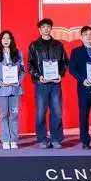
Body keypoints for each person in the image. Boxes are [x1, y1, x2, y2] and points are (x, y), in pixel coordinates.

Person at [26, 18, 68, 149]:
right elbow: (30, 65)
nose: (46, 29)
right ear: (40, 29)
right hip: (41, 84)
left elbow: (65, 62)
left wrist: (60, 74)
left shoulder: (58, 45)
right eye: (43, 27)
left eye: (48, 26)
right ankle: (42, 139)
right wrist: (39, 76)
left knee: (57, 111)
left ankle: (56, 139)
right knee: (40, 112)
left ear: (51, 28)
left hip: (55, 84)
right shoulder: (34, 45)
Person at [0, 30, 25, 149]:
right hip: (1, 89)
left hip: (15, 89)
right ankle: (5, 140)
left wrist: (19, 80)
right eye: (4, 38)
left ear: (12, 40)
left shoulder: (18, 53)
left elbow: (23, 70)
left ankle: (13, 140)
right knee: (2, 115)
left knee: (14, 115)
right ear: (0, 41)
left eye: (8, 38)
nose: (6, 40)